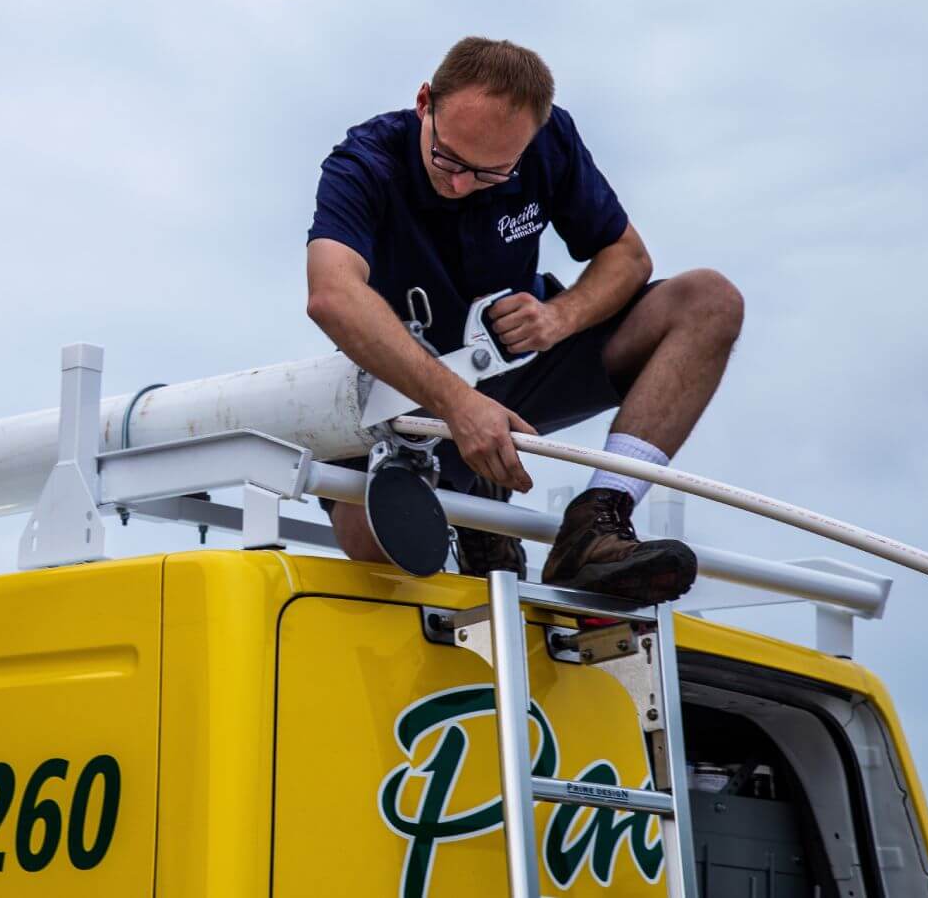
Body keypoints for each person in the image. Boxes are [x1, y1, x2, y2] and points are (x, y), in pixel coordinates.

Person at [305, 37, 744, 603]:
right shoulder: (363, 163)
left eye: (490, 174)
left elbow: (628, 257)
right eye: (448, 158)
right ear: (423, 103)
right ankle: (477, 508)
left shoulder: (551, 138)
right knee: (376, 542)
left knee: (709, 301)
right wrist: (458, 405)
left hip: (521, 365)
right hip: (405, 398)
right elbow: (333, 295)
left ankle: (596, 520)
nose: (461, 184)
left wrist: (561, 317)